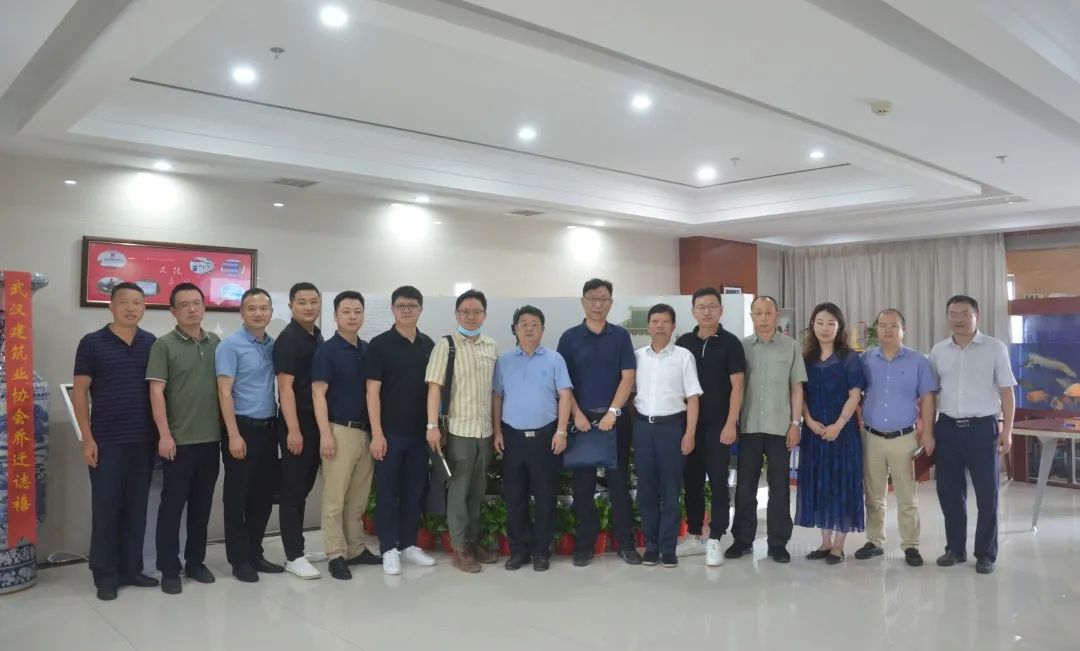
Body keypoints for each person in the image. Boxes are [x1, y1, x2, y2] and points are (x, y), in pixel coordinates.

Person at [73, 282, 159, 601]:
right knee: (107, 507)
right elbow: (80, 392)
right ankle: (105, 574)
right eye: (124, 302)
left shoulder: (151, 343)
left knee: (137, 507)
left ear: (144, 307)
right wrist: (87, 439)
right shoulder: (92, 343)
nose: (131, 308)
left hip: (143, 440)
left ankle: (131, 569)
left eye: (137, 302)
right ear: (111, 305)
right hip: (106, 440)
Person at [556, 278, 641, 566]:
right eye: (592, 298)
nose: (597, 304)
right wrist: (576, 414)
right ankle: (585, 544)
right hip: (581, 422)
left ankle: (626, 544)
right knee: (583, 488)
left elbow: (628, 377)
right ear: (583, 302)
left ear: (611, 303)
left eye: (603, 299)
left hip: (614, 421)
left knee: (619, 485)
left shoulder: (620, 336)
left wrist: (613, 412)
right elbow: (563, 384)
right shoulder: (569, 338)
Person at [929, 295, 1016, 575]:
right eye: (953, 313)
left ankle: (985, 554)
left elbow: (1007, 393)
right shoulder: (938, 351)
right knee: (949, 493)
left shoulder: (995, 348)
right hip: (947, 429)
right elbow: (930, 394)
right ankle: (955, 549)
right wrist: (928, 431)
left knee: (987, 494)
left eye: (965, 314)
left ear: (977, 316)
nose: (959, 319)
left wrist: (1007, 431)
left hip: (982, 429)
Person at [146, 283, 222, 594]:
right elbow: (156, 392)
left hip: (211, 440)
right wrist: (164, 434)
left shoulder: (216, 342)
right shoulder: (163, 345)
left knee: (202, 507)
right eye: (184, 305)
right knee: (172, 507)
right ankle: (169, 569)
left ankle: (195, 562)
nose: (192, 309)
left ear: (204, 307)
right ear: (173, 311)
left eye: (197, 303)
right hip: (178, 442)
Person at [726, 296, 807, 563]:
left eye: (768, 313)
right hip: (749, 427)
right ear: (751, 316)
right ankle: (742, 540)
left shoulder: (791, 346)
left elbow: (797, 388)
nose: (763, 318)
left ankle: (778, 543)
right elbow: (735, 388)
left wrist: (795, 423)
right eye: (758, 313)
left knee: (780, 487)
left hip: (780, 428)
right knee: (745, 487)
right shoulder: (741, 347)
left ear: (776, 315)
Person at [493, 306, 573, 572]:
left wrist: (561, 431)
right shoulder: (504, 360)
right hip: (512, 438)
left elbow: (565, 396)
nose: (528, 328)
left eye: (534, 323)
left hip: (546, 437)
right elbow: (497, 397)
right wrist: (497, 431)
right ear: (515, 329)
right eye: (523, 323)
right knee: (515, 497)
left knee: (545, 497)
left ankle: (541, 551)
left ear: (543, 329)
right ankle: (519, 551)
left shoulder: (555, 359)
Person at [424, 289, 499, 573]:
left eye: (476, 312)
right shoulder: (446, 345)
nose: (471, 316)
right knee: (459, 490)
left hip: (484, 431)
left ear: (484, 315)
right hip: (458, 430)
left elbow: (495, 392)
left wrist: (497, 429)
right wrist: (432, 426)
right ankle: (459, 548)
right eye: (465, 311)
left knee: (477, 491)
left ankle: (472, 542)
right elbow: (434, 388)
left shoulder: (491, 346)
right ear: (457, 314)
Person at [856, 308, 936, 567]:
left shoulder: (918, 361)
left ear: (904, 329)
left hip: (905, 437)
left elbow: (928, 399)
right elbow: (854, 394)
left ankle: (910, 545)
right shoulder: (865, 360)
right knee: (873, 494)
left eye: (893, 326)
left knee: (907, 496)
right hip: (871, 437)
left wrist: (928, 434)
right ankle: (875, 541)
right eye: (882, 325)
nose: (887, 330)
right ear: (876, 329)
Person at [367, 286, 438, 575]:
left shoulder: (428, 345)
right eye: (401, 305)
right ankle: (388, 548)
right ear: (393, 309)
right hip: (389, 433)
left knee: (414, 490)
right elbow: (372, 392)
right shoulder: (379, 345)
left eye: (412, 305)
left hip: (420, 434)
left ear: (421, 309)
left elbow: (434, 390)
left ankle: (409, 544)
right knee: (387, 492)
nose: (406, 310)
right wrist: (377, 433)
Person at [311, 290, 382, 581]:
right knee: (335, 498)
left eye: (357, 311)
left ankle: (356, 548)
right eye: (346, 311)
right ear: (335, 316)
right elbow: (318, 393)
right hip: (339, 431)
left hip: (366, 432)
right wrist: (325, 434)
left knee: (358, 498)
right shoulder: (327, 351)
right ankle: (336, 554)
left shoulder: (367, 349)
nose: (352, 316)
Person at [674, 287, 746, 567]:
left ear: (721, 310)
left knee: (717, 481)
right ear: (693, 311)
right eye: (701, 307)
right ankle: (694, 534)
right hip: (688, 426)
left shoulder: (731, 343)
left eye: (712, 306)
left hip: (719, 425)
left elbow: (737, 386)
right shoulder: (683, 343)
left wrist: (731, 423)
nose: (707, 311)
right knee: (691, 480)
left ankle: (715, 537)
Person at [215, 288, 283, 583]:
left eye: (264, 308)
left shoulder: (273, 345)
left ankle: (256, 553)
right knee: (237, 497)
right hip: (241, 429)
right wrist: (233, 434)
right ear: (242, 312)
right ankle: (239, 559)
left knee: (263, 497)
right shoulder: (230, 346)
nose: (258, 313)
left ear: (271, 312)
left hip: (269, 430)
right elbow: (224, 392)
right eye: (252, 308)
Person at [796, 303, 866, 564]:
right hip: (815, 432)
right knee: (820, 484)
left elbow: (855, 395)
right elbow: (799, 394)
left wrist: (838, 425)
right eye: (820, 323)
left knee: (841, 484)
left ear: (839, 327)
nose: (825, 328)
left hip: (843, 433)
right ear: (812, 325)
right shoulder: (805, 358)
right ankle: (825, 543)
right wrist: (808, 420)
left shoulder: (849, 358)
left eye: (831, 323)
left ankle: (838, 546)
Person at [633, 304, 702, 568]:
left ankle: (668, 548)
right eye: (654, 321)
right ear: (648, 326)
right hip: (643, 428)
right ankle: (651, 546)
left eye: (665, 321)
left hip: (672, 428)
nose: (659, 325)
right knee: (646, 491)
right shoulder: (637, 357)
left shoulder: (684, 356)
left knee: (671, 490)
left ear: (673, 326)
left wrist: (689, 433)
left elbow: (693, 398)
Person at [275, 282, 327, 579]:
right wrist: (293, 430)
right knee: (293, 490)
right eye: (302, 302)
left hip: (316, 421)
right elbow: (285, 387)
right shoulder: (288, 339)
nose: (309, 307)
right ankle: (293, 556)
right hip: (297, 423)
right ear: (291, 306)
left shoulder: (316, 335)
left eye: (313, 301)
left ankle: (299, 548)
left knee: (304, 487)